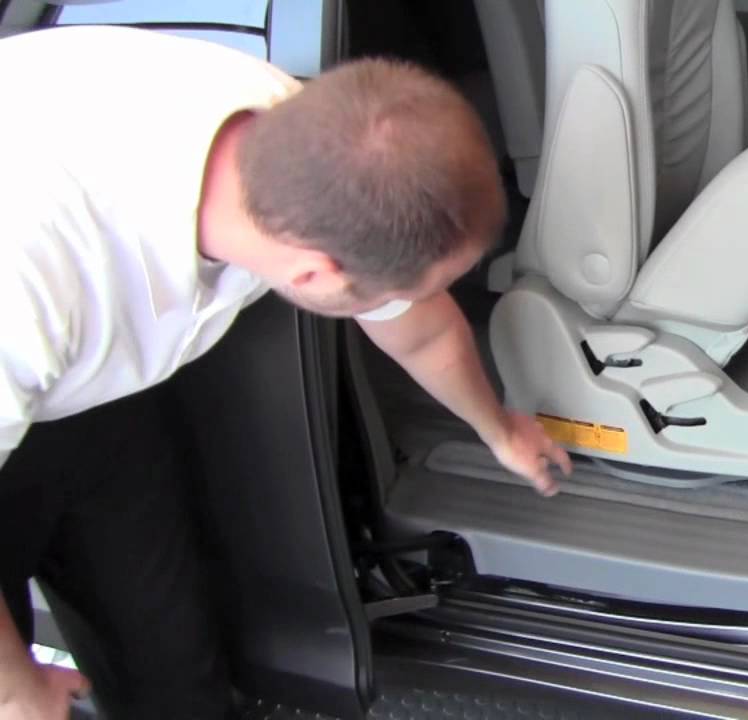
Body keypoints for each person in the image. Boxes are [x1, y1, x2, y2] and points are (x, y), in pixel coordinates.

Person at [0, 25, 572, 720]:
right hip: (28, 341)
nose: (422, 297)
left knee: (167, 657)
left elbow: (420, 328)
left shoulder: (310, 143)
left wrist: (499, 430)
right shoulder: (29, 275)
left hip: (80, 381)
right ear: (313, 276)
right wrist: (17, 687)